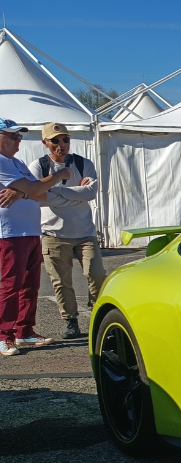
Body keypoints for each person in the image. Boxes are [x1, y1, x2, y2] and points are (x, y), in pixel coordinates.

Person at [29, 123, 104, 340]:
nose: (61, 145)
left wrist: (56, 190)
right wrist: (74, 193)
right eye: (55, 140)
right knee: (61, 281)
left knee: (96, 273)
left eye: (65, 140)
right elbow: (37, 196)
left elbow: (90, 193)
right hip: (53, 233)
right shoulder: (39, 166)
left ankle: (97, 311)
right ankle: (71, 320)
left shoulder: (83, 163)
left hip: (85, 232)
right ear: (45, 143)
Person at [0, 120, 61, 356]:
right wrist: (58, 176)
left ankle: (23, 331)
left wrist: (22, 191)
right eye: (13, 136)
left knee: (30, 285)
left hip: (30, 230)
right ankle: (4, 334)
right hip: (10, 232)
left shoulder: (17, 163)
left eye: (19, 137)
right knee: (10, 285)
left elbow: (41, 195)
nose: (19, 141)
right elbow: (36, 190)